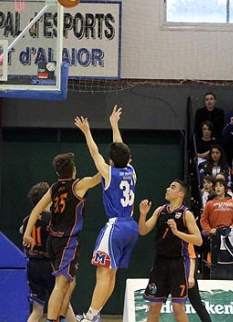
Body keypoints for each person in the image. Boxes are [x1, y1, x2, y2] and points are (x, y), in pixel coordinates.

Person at [74, 106, 139, 322]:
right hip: (131, 226)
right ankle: (96, 313)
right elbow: (121, 149)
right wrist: (114, 125)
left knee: (102, 274)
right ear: (128, 158)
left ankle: (90, 315)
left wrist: (86, 132)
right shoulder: (131, 172)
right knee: (111, 274)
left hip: (116, 226)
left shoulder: (109, 172)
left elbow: (95, 154)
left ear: (111, 161)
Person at [22, 153, 101, 322]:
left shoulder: (54, 187)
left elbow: (36, 211)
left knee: (67, 283)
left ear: (58, 173)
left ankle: (62, 318)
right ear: (74, 169)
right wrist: (108, 162)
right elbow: (99, 177)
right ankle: (54, 319)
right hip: (67, 240)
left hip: (53, 241)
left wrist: (27, 234)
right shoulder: (78, 185)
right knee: (61, 284)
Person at [138, 179, 203, 322]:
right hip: (160, 264)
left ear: (180, 194)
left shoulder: (187, 214)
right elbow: (143, 231)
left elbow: (198, 240)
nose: (167, 189)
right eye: (169, 186)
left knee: (177, 308)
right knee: (154, 306)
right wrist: (143, 215)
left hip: (178, 264)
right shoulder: (160, 210)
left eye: (172, 187)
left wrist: (177, 232)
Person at [21, 182, 76, 322]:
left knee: (37, 310)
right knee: (63, 302)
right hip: (49, 265)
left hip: (32, 265)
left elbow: (21, 230)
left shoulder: (28, 219)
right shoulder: (51, 219)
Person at [187, 244, 212, 322]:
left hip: (186, 274)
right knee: (157, 301)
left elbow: (192, 258)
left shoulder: (185, 238)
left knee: (196, 302)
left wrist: (190, 276)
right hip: (170, 275)